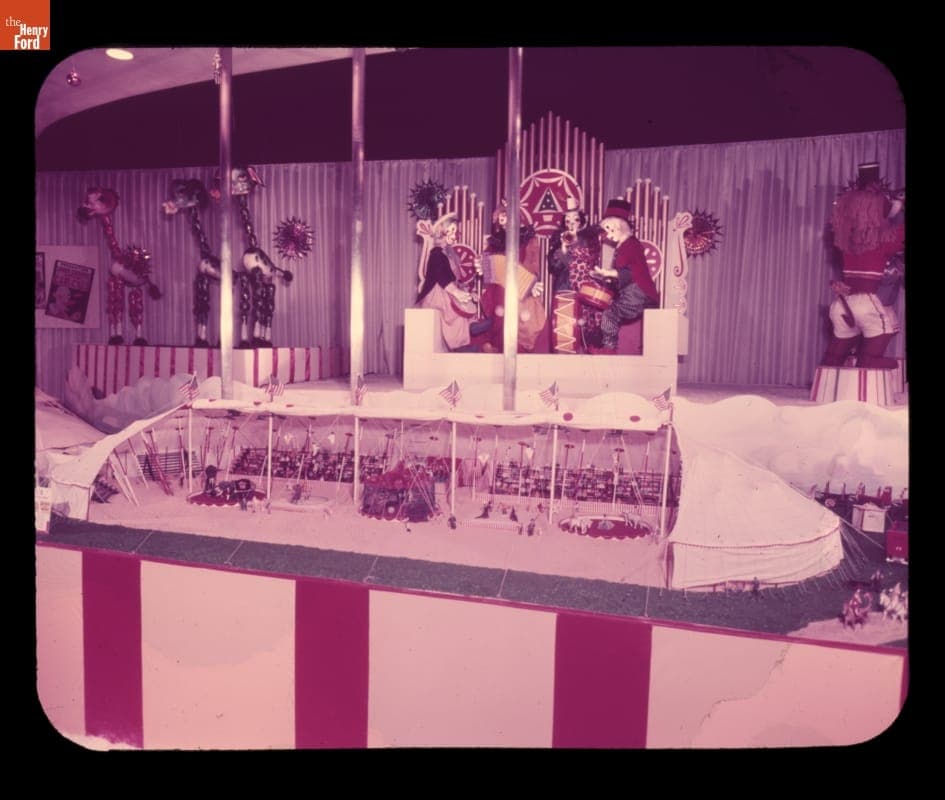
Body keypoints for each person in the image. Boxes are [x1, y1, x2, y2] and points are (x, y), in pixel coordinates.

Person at [821, 164, 904, 369]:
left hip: (842, 304)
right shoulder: (881, 243)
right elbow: (900, 234)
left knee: (833, 355)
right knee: (882, 338)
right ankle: (887, 369)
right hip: (868, 303)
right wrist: (900, 207)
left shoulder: (845, 243)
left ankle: (824, 390)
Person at [584, 198, 660, 354]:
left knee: (610, 314)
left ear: (618, 228)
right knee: (612, 313)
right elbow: (625, 274)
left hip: (637, 292)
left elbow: (629, 272)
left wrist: (608, 273)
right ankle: (608, 347)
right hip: (644, 293)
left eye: (608, 230)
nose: (606, 236)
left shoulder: (629, 245)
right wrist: (603, 276)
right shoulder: (628, 245)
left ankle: (608, 349)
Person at [416, 212, 491, 351]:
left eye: (455, 231)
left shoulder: (451, 254)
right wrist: (455, 291)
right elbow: (441, 276)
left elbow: (456, 278)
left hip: (449, 288)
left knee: (463, 303)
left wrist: (466, 291)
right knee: (452, 310)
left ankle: (471, 325)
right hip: (437, 292)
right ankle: (458, 346)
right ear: (441, 232)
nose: (453, 234)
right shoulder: (436, 254)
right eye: (450, 230)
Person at [479, 201, 546, 353]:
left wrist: (529, 282)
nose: (503, 219)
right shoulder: (495, 241)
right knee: (499, 315)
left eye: (506, 215)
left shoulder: (527, 237)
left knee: (522, 319)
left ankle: (517, 348)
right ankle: (498, 345)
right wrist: (482, 266)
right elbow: (488, 265)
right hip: (499, 287)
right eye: (501, 216)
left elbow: (532, 262)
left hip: (520, 285)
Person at [548, 198, 603, 350]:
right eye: (568, 220)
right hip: (565, 285)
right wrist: (564, 248)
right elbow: (554, 266)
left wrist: (577, 243)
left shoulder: (590, 239)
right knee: (565, 326)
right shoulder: (559, 240)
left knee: (586, 323)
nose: (571, 223)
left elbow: (591, 259)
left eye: (575, 219)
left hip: (584, 283)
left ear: (581, 222)